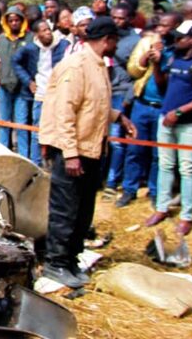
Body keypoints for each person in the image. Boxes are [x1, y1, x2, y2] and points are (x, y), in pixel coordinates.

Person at [39, 17, 136, 288]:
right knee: (65, 211)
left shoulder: (98, 66)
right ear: (107, 39)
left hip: (93, 149)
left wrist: (119, 118)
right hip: (73, 151)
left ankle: (71, 259)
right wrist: (70, 154)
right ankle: (55, 264)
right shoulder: (77, 65)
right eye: (115, 40)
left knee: (83, 212)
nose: (116, 45)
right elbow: (64, 111)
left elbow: (94, 105)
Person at [125, 12, 182, 205]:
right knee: (134, 150)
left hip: (163, 108)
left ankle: (155, 191)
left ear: (176, 26)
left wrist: (158, 63)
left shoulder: (178, 51)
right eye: (159, 25)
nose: (160, 29)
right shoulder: (146, 42)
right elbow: (132, 71)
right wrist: (145, 58)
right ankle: (129, 189)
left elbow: (165, 85)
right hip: (141, 104)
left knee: (159, 155)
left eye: (166, 26)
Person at [145, 20, 192, 236]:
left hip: (189, 124)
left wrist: (180, 112)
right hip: (165, 119)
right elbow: (163, 84)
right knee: (165, 165)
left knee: (187, 169)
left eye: (180, 38)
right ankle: (162, 208)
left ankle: (186, 216)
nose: (175, 40)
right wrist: (156, 64)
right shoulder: (174, 57)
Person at [12, 20, 70, 165]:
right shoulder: (31, 48)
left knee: (59, 130)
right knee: (37, 130)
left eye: (48, 29)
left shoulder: (63, 45)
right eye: (43, 30)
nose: (47, 33)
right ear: (37, 34)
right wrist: (28, 81)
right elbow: (15, 61)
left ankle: (55, 163)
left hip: (59, 93)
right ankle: (34, 163)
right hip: (41, 93)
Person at [107, 4, 141, 206]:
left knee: (118, 142)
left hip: (122, 95)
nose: (116, 21)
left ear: (130, 19)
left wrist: (128, 98)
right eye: (114, 17)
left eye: (120, 18)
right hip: (105, 92)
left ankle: (113, 182)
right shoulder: (107, 36)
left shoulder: (135, 42)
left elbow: (138, 75)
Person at [0, 6, 31, 155]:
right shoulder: (1, 39)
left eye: (17, 20)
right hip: (4, 85)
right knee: (4, 122)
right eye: (11, 21)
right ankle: (3, 153)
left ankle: (23, 155)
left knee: (21, 123)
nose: (14, 23)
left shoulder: (29, 38)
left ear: (22, 21)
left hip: (22, 87)